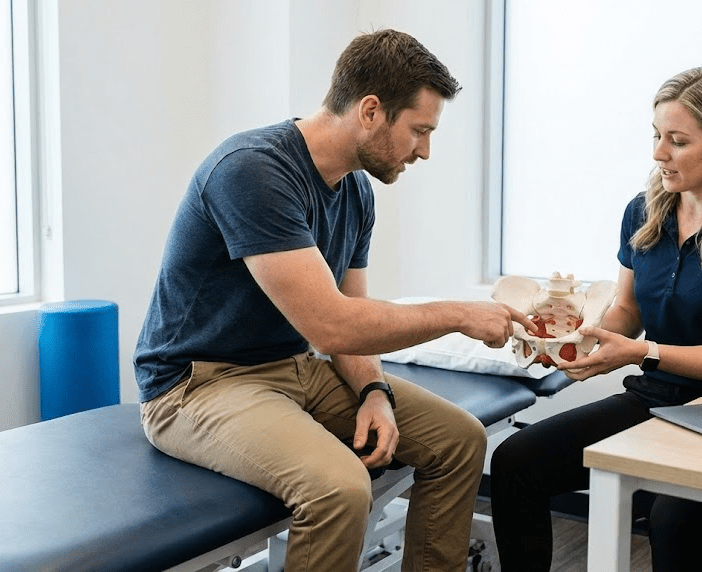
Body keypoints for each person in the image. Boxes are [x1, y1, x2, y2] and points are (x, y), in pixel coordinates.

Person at [133, 29, 535, 572]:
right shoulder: (253, 170)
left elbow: (354, 322)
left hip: (293, 368)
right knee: (340, 489)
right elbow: (332, 326)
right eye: (419, 130)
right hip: (197, 385)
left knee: (458, 440)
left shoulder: (356, 190)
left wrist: (374, 391)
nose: (424, 150)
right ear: (370, 111)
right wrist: (459, 314)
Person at [489, 66, 702, 571]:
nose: (659, 153)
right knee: (515, 462)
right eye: (656, 136)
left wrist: (643, 352)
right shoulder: (643, 212)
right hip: (654, 400)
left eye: (677, 141)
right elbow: (627, 311)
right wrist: (574, 341)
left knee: (673, 517)